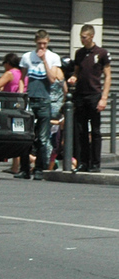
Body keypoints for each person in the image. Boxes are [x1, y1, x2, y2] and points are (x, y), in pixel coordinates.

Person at [15, 29, 62, 180]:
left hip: (44, 101)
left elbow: (53, 79)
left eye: (45, 44)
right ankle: (24, 169)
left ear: (48, 42)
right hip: (30, 100)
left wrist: (44, 61)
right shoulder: (27, 57)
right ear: (35, 42)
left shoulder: (53, 57)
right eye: (40, 43)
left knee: (42, 138)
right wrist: (21, 95)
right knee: (26, 136)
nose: (42, 47)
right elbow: (22, 78)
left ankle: (39, 169)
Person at [68, 24, 112, 173]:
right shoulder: (79, 53)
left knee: (95, 131)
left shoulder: (101, 53)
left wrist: (104, 97)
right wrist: (73, 78)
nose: (82, 39)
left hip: (94, 94)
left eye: (84, 37)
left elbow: (108, 76)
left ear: (91, 36)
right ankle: (83, 162)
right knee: (81, 131)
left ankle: (95, 163)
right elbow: (76, 72)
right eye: (81, 37)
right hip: (81, 95)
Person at [0, 53, 25, 174]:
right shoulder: (21, 73)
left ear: (8, 63)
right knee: (17, 135)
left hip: (11, 107)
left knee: (11, 136)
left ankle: (31, 159)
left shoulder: (10, 73)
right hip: (21, 106)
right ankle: (15, 166)